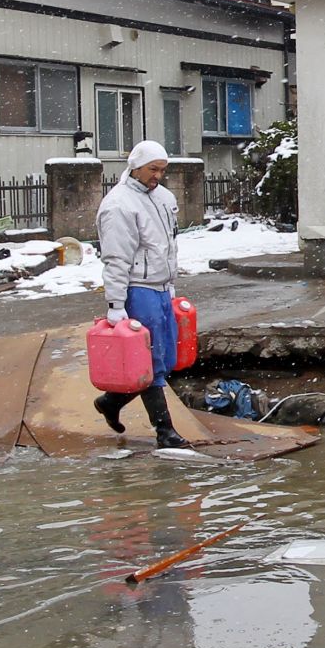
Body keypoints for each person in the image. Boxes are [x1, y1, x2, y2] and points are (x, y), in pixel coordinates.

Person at [94, 140, 190, 449]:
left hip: (160, 287)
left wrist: (170, 283)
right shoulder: (119, 205)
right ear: (134, 166)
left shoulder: (162, 198)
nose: (158, 176)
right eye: (153, 169)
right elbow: (116, 258)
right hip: (138, 289)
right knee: (151, 361)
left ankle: (111, 402)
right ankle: (165, 432)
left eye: (162, 170)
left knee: (167, 358)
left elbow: (169, 245)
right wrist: (116, 304)